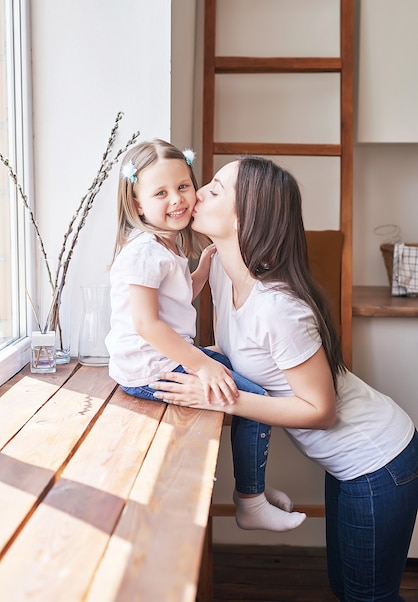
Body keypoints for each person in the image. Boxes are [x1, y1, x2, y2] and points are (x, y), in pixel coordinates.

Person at [149, 156, 418, 602]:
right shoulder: (218, 268)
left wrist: (219, 398)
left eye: (214, 191)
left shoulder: (280, 307)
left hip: (380, 461)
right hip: (355, 466)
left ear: (246, 217)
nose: (196, 195)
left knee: (368, 597)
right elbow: (238, 353)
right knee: (347, 588)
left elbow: (320, 410)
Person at [105, 140, 306, 533]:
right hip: (152, 369)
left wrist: (201, 268)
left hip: (162, 358)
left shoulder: (166, 244)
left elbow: (174, 300)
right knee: (252, 397)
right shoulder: (144, 251)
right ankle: (250, 499)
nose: (178, 200)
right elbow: (147, 324)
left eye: (183, 186)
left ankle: (255, 489)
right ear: (137, 203)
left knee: (245, 376)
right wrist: (201, 364)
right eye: (160, 193)